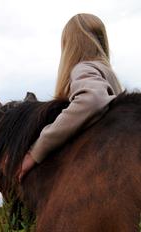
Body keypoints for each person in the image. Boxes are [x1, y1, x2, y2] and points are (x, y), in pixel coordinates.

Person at [18, 13, 123, 182]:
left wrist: (35, 152)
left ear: (69, 47)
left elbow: (92, 99)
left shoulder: (83, 68)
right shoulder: (109, 75)